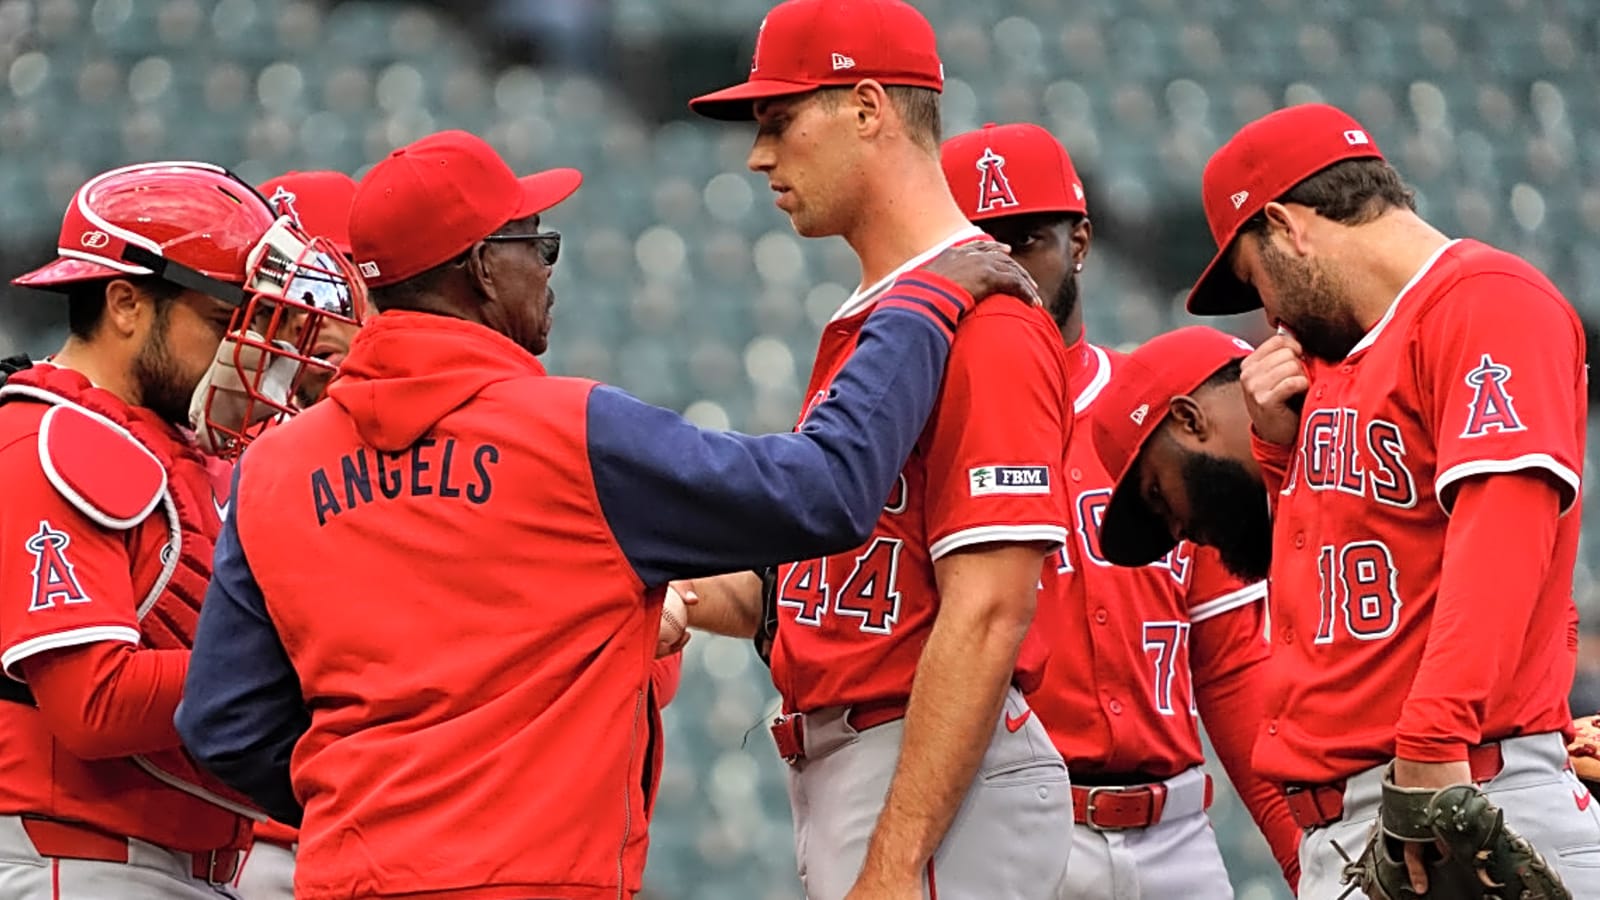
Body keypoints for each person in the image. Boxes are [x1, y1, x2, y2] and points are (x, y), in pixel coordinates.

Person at [173, 129, 1039, 900]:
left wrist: (373, 802)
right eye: (536, 244)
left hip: (350, 874)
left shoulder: (273, 470)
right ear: (483, 269)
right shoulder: (572, 433)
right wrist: (917, 306)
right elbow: (825, 492)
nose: (548, 269)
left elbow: (223, 721)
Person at [683, 3, 1077, 897]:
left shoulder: (987, 320)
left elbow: (990, 608)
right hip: (862, 762)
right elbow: (824, 590)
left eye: (780, 120)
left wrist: (896, 861)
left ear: (867, 108)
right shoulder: (889, 315)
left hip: (928, 776)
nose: (759, 156)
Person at [1177, 101, 1596, 897]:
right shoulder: (1335, 360)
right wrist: (1278, 454)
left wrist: (1433, 747)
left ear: (1286, 226)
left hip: (1454, 793)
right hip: (1354, 822)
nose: (1268, 313)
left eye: (1255, 277)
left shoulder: (1488, 301)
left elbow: (1504, 535)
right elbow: (1337, 586)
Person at [940, 123, 1301, 896]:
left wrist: (1304, 862)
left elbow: (1231, 667)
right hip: (1010, 831)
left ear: (1079, 242)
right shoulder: (925, 432)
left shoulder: (1158, 421)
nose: (1005, 270)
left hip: (1177, 835)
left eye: (1027, 241)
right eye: (978, 247)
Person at [0, 161, 354, 898]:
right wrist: (304, 656)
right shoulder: (51, 439)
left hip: (171, 864)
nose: (247, 348)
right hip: (75, 859)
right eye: (226, 321)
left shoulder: (178, 444)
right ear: (126, 304)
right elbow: (93, 703)